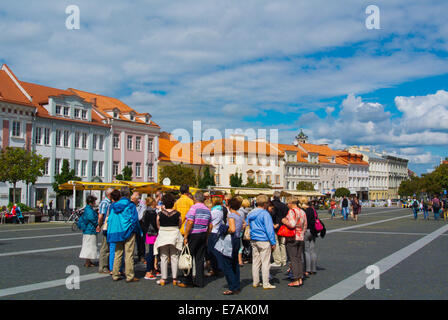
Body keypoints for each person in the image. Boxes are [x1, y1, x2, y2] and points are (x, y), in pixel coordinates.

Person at [107, 187, 142, 283]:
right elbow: (135, 220)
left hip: (116, 231)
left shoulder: (114, 206)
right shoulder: (130, 205)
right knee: (129, 254)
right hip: (128, 231)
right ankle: (129, 275)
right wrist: (138, 231)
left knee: (118, 253)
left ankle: (115, 274)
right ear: (128, 195)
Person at [178, 192, 212, 288]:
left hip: (193, 234)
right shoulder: (207, 209)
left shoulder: (194, 208)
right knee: (200, 258)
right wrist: (206, 236)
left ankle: (187, 281)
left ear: (195, 199)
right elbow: (210, 225)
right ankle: (199, 281)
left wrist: (186, 235)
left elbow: (190, 222)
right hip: (202, 233)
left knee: (188, 256)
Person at [215, 196, 246, 295]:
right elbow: (242, 226)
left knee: (227, 264)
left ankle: (232, 286)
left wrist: (224, 229)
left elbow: (232, 229)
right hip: (237, 239)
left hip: (230, 240)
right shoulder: (239, 215)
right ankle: (236, 285)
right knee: (234, 263)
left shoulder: (231, 215)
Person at [247, 194, 277, 290]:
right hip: (263, 239)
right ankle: (266, 283)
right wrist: (273, 242)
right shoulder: (265, 214)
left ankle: (256, 281)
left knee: (256, 261)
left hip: (254, 238)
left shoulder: (251, 213)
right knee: (265, 262)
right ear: (265, 204)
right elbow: (269, 229)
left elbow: (247, 223)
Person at [153, 193, 183, 286]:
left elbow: (158, 224)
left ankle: (163, 278)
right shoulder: (177, 213)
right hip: (174, 235)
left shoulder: (160, 213)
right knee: (174, 257)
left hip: (163, 235)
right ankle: (175, 278)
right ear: (173, 203)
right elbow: (180, 224)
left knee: (163, 257)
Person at [282, 197, 307, 287]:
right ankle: (300, 277)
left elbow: (292, 224)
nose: (287, 205)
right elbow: (305, 225)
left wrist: (284, 221)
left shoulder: (292, 211)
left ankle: (296, 278)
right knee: (299, 258)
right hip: (300, 236)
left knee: (293, 259)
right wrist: (302, 233)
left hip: (293, 237)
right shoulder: (302, 211)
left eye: (287, 203)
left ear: (291, 203)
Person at [206, 196, 224, 277]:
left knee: (212, 251)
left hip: (212, 231)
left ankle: (215, 268)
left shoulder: (214, 212)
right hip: (217, 231)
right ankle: (217, 267)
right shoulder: (220, 210)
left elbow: (208, 220)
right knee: (216, 250)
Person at [79, 195, 99, 268]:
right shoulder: (89, 210)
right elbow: (92, 218)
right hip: (90, 230)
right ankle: (87, 262)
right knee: (90, 246)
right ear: (91, 202)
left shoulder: (87, 209)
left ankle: (88, 261)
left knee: (89, 245)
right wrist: (97, 224)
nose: (95, 203)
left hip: (87, 230)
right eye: (94, 201)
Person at [106, 190, 123, 275]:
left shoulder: (110, 206)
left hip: (111, 229)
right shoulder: (121, 206)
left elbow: (108, 218)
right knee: (120, 250)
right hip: (119, 229)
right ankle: (119, 268)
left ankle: (112, 268)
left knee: (112, 250)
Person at [143, 197, 160, 280]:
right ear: (153, 203)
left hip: (148, 233)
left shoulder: (146, 211)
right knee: (152, 252)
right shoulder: (152, 212)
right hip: (152, 233)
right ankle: (148, 271)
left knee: (152, 251)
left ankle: (152, 269)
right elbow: (155, 224)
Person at [97, 188, 114, 274]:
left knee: (108, 245)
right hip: (105, 225)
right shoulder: (105, 203)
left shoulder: (110, 203)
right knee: (105, 246)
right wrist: (99, 226)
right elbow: (101, 216)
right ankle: (103, 267)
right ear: (109, 194)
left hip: (109, 226)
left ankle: (106, 265)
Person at [271, 191, 289, 268]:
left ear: (273, 196)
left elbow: (272, 214)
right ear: (280, 197)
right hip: (283, 226)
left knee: (276, 243)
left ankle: (277, 260)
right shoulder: (284, 205)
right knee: (283, 243)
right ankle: (284, 260)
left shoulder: (272, 205)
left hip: (275, 225)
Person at [301, 197, 318, 277]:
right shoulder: (312, 209)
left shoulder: (303, 211)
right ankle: (313, 269)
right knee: (312, 250)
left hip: (306, 231)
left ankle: (307, 269)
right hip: (313, 231)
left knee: (306, 251)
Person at [133, 192, 146, 263]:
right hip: (132, 224)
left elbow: (141, 215)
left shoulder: (142, 205)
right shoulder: (131, 205)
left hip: (140, 224)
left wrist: (135, 218)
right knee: (131, 242)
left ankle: (141, 256)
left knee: (141, 241)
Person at [238, 198, 251, 266]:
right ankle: (248, 256)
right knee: (247, 243)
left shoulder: (240, 211)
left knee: (242, 243)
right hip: (247, 227)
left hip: (242, 228)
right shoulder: (249, 210)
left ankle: (243, 257)